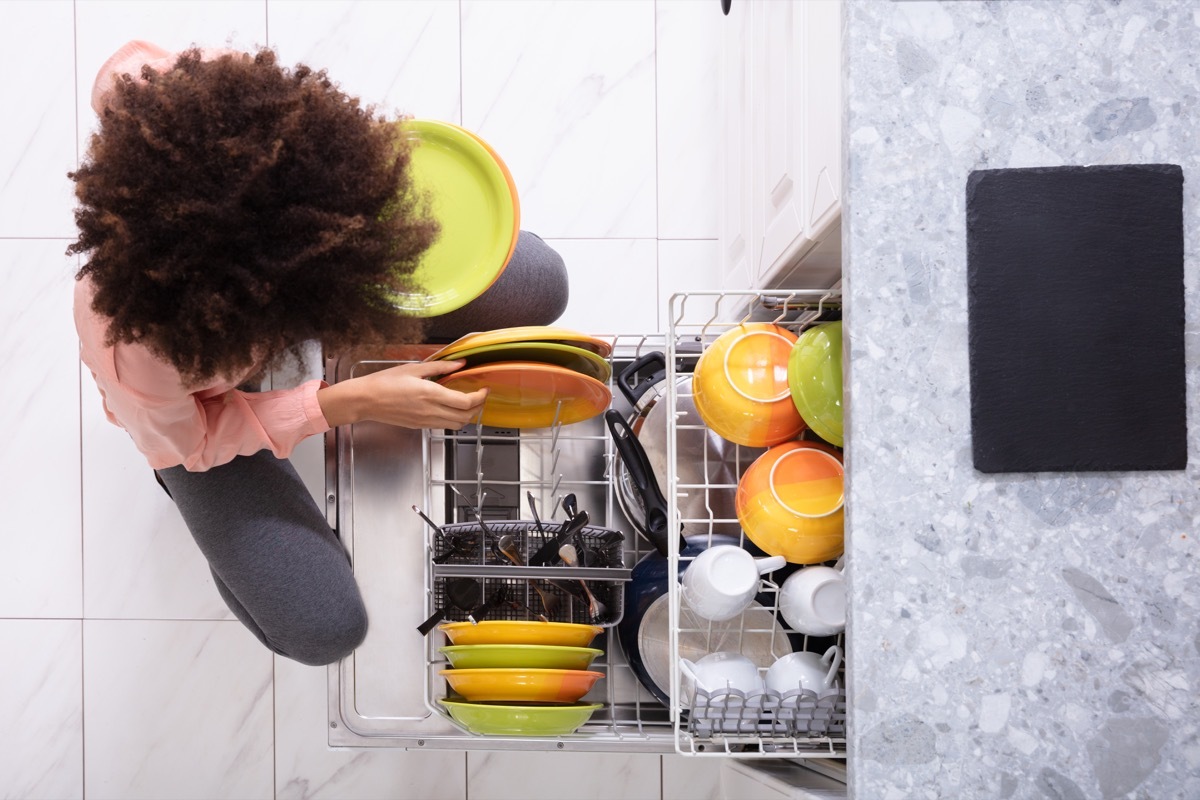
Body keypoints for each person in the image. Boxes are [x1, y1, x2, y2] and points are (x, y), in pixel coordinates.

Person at [69, 41, 569, 666]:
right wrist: (352, 399)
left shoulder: (249, 127)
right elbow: (190, 440)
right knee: (323, 630)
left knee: (542, 284)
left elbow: (130, 70)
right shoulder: (135, 338)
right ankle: (205, 512)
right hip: (197, 420)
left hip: (308, 275)